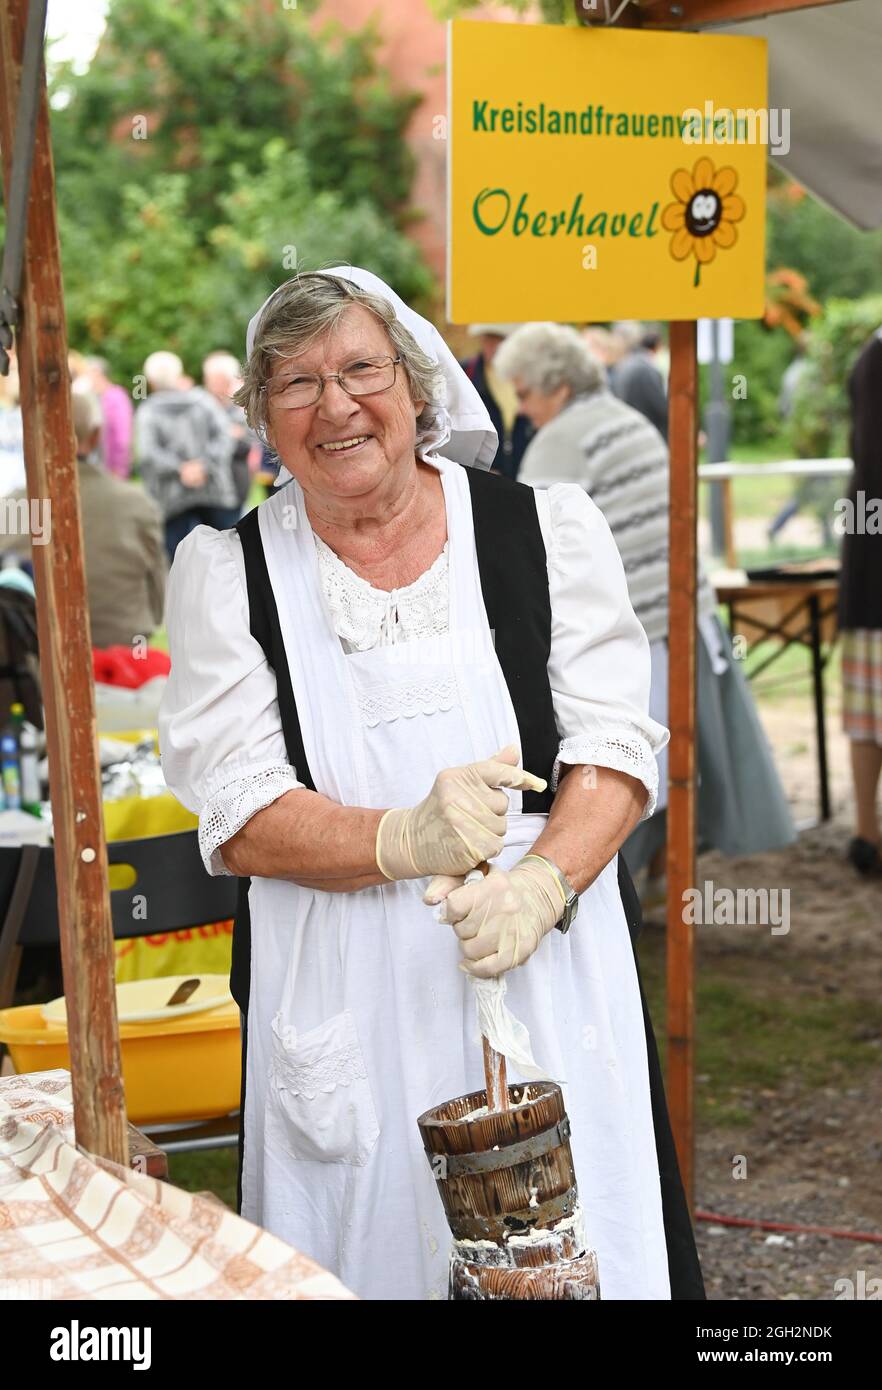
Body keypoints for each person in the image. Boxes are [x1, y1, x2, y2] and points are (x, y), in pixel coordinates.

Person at [158, 266, 705, 1303]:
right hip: (345, 984)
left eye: (362, 369)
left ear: (417, 387)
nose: (336, 406)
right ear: (264, 419)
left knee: (577, 1252)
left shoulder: (545, 528)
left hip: (548, 963)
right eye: (295, 384)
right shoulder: (227, 575)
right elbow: (237, 812)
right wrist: (403, 836)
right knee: (371, 1257)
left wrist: (543, 882)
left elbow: (616, 748)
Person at [495, 322, 796, 885]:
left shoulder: (563, 437)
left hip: (638, 630)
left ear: (556, 385)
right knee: (663, 775)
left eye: (527, 393)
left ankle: (611, 897)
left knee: (620, 776)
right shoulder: (621, 417)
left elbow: (526, 549)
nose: (524, 408)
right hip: (679, 617)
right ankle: (653, 890)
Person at [0, 391, 167, 648]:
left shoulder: (16, 505)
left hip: (37, 659)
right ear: (96, 435)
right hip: (122, 650)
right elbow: (158, 600)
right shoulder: (136, 503)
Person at [839, 328, 882, 876]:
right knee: (870, 711)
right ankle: (867, 834)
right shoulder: (878, 359)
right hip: (876, 571)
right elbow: (874, 457)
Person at [134, 350, 238, 560]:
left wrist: (180, 468)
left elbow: (148, 453)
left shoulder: (148, 412)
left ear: (151, 381)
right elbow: (225, 437)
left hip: (170, 498)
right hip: (213, 490)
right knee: (231, 557)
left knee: (178, 564)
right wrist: (203, 465)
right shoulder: (204, 402)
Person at [460, 324, 534, 479]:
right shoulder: (464, 374)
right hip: (482, 483)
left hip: (529, 479)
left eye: (500, 339)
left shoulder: (533, 376)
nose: (494, 346)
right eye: (488, 338)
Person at [202, 350, 263, 514]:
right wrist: (228, 434)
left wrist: (226, 436)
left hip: (235, 486)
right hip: (205, 491)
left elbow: (249, 441)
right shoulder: (202, 409)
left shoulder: (241, 409)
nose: (208, 383)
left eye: (212, 378)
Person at [608, 321, 669, 442]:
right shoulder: (644, 366)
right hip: (648, 438)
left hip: (632, 437)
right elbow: (662, 408)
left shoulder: (622, 367)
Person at [83, 356, 134, 480]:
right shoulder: (95, 397)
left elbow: (123, 436)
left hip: (113, 470)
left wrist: (118, 468)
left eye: (87, 374)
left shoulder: (116, 398)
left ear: (98, 374)